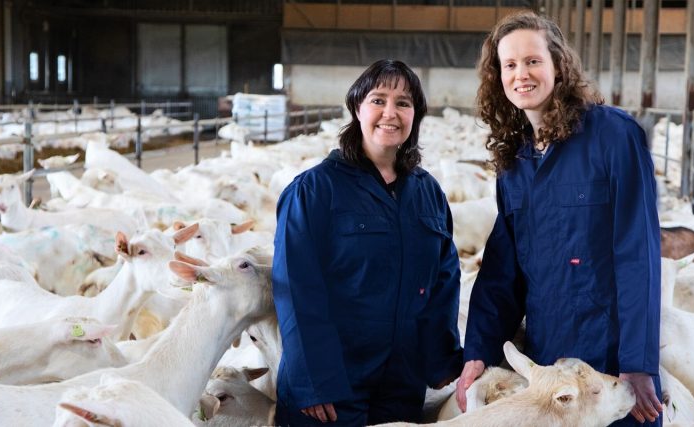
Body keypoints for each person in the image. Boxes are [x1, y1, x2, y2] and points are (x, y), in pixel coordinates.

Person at [456, 11, 663, 426]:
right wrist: (478, 351)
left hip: (611, 363)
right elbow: (503, 271)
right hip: (547, 361)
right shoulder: (515, 161)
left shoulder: (613, 136)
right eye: (509, 65)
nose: (521, 74)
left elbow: (638, 253)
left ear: (558, 65)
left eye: (533, 61)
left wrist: (638, 362)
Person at [272, 59, 464, 426]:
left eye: (404, 104)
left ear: (415, 116)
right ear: (357, 108)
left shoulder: (428, 193)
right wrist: (315, 383)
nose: (390, 113)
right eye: (378, 100)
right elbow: (296, 290)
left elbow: (444, 280)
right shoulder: (314, 191)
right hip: (332, 387)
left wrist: (441, 360)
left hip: (400, 386)